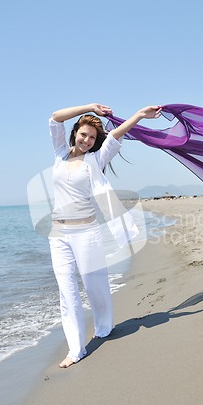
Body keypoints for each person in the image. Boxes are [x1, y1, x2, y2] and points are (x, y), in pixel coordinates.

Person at [49, 102, 162, 368]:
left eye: (92, 137)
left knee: (94, 287)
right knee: (67, 293)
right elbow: (55, 118)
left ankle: (103, 327)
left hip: (86, 232)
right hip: (58, 235)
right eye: (83, 134)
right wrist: (88, 107)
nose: (87, 140)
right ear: (75, 132)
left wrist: (139, 115)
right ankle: (76, 350)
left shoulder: (95, 160)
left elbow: (115, 135)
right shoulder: (59, 154)